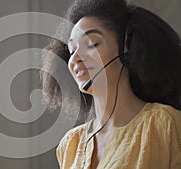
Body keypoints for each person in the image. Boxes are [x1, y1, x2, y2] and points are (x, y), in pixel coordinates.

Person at [40, 0, 181, 168]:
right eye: (72, 50)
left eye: (91, 44)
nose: (75, 58)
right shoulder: (71, 143)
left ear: (127, 48)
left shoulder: (164, 124)